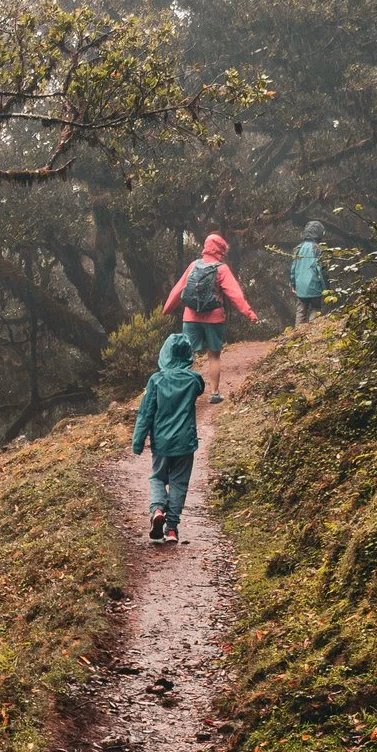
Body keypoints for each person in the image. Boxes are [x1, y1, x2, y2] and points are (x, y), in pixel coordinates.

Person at [162, 232, 257, 403]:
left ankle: (183, 394)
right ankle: (214, 393)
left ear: (205, 247)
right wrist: (249, 313)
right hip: (214, 318)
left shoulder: (193, 266)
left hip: (190, 316)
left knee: (186, 355)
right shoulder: (221, 269)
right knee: (213, 356)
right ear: (221, 250)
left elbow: (178, 289)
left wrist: (166, 309)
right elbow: (235, 294)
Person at [132, 332, 203, 544]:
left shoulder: (156, 381)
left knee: (157, 478)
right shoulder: (194, 380)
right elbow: (200, 389)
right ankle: (171, 529)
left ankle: (157, 510)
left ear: (164, 354)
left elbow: (145, 413)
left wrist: (138, 441)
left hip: (161, 442)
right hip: (185, 443)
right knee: (179, 483)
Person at [291, 220, 328, 325]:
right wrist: (326, 289)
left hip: (300, 286)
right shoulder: (318, 249)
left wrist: (294, 284)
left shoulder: (298, 248)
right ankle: (312, 333)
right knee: (316, 308)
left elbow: (293, 268)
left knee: (301, 311)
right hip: (314, 285)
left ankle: (297, 335)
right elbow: (321, 270)